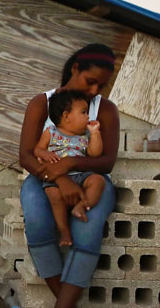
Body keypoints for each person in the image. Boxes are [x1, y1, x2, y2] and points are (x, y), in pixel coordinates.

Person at [18, 43, 120, 308]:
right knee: (37, 222)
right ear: (74, 68)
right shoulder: (42, 104)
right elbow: (25, 155)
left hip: (90, 178)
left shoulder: (105, 110)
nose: (94, 90)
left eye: (101, 86)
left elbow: (106, 161)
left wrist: (72, 164)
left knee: (87, 232)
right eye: (90, 81)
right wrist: (60, 179)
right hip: (43, 177)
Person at [32, 89, 105, 247]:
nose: (88, 117)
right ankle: (64, 230)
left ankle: (82, 206)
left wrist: (95, 134)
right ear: (66, 116)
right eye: (84, 112)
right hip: (57, 177)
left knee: (98, 181)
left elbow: (95, 153)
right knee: (53, 194)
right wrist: (44, 154)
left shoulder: (85, 135)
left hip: (81, 175)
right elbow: (37, 149)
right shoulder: (50, 132)